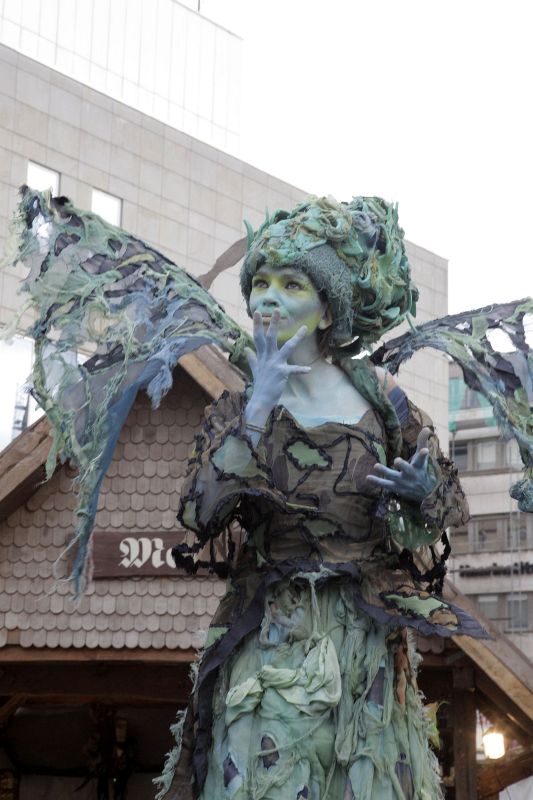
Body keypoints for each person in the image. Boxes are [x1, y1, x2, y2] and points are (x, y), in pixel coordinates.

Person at [160, 196, 486, 800]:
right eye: (260, 283)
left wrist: (420, 494)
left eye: (291, 285)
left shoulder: (380, 398)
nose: (269, 299)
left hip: (364, 646)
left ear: (327, 310)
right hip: (271, 640)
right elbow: (199, 514)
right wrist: (258, 410)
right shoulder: (236, 407)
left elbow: (445, 506)